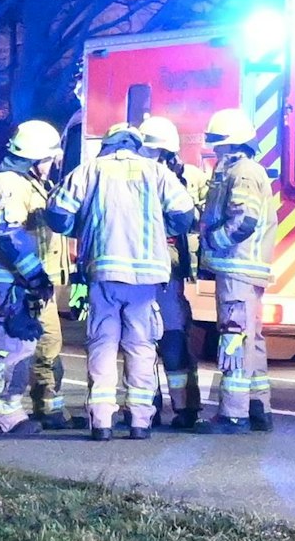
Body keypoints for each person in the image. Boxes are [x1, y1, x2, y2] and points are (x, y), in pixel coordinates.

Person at [47, 122, 196, 439]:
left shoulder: (91, 170)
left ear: (108, 144)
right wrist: (160, 227)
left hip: (104, 273)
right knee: (141, 346)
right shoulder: (156, 172)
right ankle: (140, 422)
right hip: (145, 279)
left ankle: (101, 422)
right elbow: (184, 215)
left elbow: (57, 213)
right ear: (136, 144)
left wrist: (82, 228)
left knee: (103, 344)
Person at [197, 109, 276, 435]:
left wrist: (213, 241)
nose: (215, 150)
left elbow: (244, 220)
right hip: (247, 270)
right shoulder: (243, 169)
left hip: (237, 268)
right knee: (251, 341)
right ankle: (258, 406)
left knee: (233, 339)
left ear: (230, 144)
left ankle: (233, 414)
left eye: (217, 143)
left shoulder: (241, 173)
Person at [0, 120, 62, 435]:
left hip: (28, 280)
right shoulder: (9, 184)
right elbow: (9, 236)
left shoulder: (26, 181)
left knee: (37, 345)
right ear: (35, 156)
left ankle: (43, 411)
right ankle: (7, 415)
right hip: (16, 282)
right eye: (48, 158)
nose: (51, 164)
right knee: (13, 349)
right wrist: (35, 276)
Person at [139, 116, 206, 428]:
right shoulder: (166, 178)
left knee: (159, 338)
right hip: (156, 269)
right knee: (156, 338)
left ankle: (170, 407)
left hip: (158, 271)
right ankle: (164, 406)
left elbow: (195, 217)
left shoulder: (180, 178)